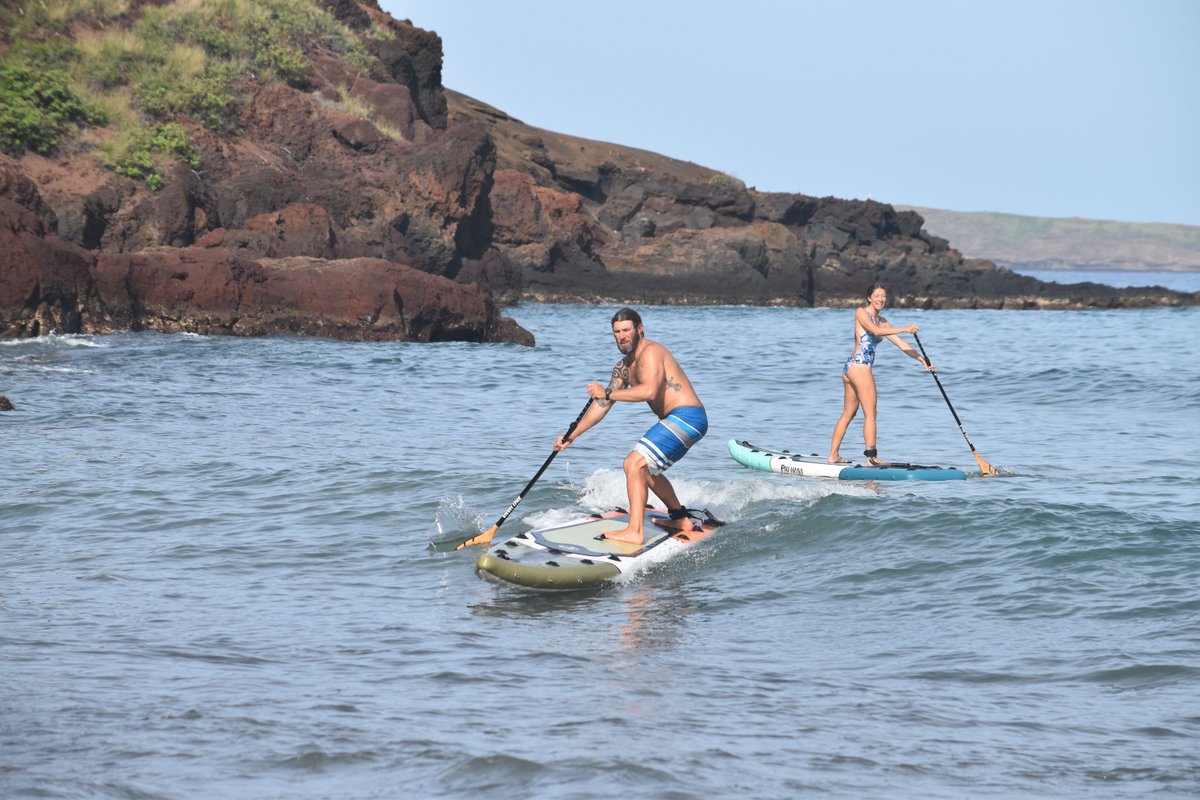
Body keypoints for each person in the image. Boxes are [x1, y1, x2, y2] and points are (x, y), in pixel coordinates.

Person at [553, 308, 707, 545]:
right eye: (616, 332)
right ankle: (679, 518)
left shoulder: (652, 352)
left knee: (633, 463)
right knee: (645, 469)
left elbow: (649, 390)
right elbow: (603, 405)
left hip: (687, 417)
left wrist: (608, 392)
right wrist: (572, 435)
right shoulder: (623, 367)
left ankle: (635, 531)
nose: (621, 336)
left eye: (626, 330)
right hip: (675, 420)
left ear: (639, 329)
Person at [827, 284, 932, 466]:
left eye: (883, 296)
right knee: (870, 413)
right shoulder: (861, 312)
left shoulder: (883, 321)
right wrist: (905, 328)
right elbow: (875, 332)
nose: (880, 299)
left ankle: (833, 456)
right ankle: (871, 457)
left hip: (852, 368)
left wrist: (922, 359)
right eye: (877, 295)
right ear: (869, 298)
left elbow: (901, 344)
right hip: (859, 367)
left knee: (848, 414)